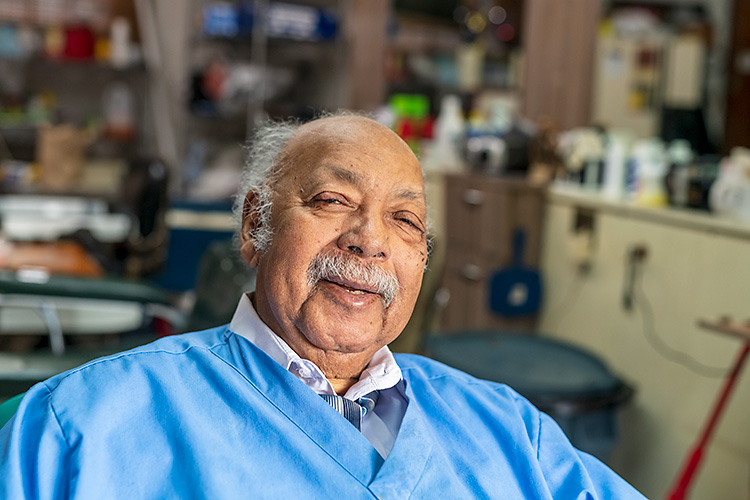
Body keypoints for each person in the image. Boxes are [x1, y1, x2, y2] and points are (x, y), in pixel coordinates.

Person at [0, 115, 648, 499]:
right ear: (256, 225)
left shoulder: (510, 432)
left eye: (405, 221)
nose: (370, 240)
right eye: (333, 201)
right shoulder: (80, 429)